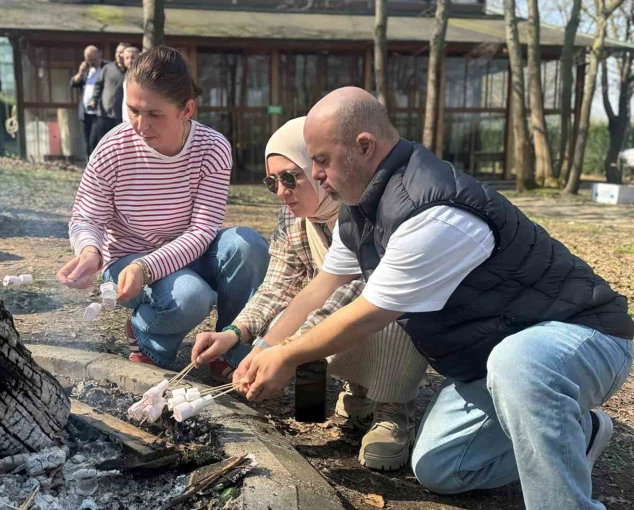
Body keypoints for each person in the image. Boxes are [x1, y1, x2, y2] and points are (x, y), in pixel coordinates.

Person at [238, 87, 634, 510]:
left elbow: (370, 312)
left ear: (364, 146)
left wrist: (289, 356)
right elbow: (321, 288)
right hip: (491, 362)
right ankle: (577, 433)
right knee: (441, 467)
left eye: (321, 160)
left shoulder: (431, 209)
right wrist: (264, 348)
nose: (316, 174)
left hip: (580, 336)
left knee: (518, 362)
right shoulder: (360, 204)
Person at [191, 117, 428, 470]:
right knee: (307, 401)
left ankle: (394, 407)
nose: (281, 191)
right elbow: (279, 285)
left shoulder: (367, 210)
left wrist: (283, 351)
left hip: (383, 311)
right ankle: (357, 391)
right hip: (332, 311)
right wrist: (235, 334)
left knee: (387, 310)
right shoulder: (293, 218)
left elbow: (356, 294)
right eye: (272, 182)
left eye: (290, 177)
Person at [57, 46, 270, 370]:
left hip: (186, 253)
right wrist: (89, 252)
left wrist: (149, 267)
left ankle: (229, 351)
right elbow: (88, 216)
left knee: (248, 246)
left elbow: (203, 231)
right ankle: (148, 336)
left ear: (187, 109)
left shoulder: (212, 149)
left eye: (154, 115)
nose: (140, 126)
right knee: (191, 295)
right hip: (128, 260)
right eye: (133, 110)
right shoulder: (113, 148)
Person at [70, 45, 107, 158]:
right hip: (85, 113)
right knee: (87, 142)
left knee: (94, 142)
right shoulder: (87, 71)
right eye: (88, 60)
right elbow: (73, 83)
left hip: (100, 112)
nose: (91, 62)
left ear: (99, 54)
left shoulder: (107, 68)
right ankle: (89, 164)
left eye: (93, 59)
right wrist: (80, 73)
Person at [90, 42, 129, 143]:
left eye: (122, 52)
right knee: (99, 142)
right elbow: (98, 85)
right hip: (104, 114)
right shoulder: (107, 68)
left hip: (120, 116)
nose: (119, 55)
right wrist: (94, 99)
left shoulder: (131, 72)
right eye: (117, 52)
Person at [120, 46, 139, 125]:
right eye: (127, 58)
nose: (130, 60)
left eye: (133, 57)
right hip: (126, 117)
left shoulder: (140, 75)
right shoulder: (126, 74)